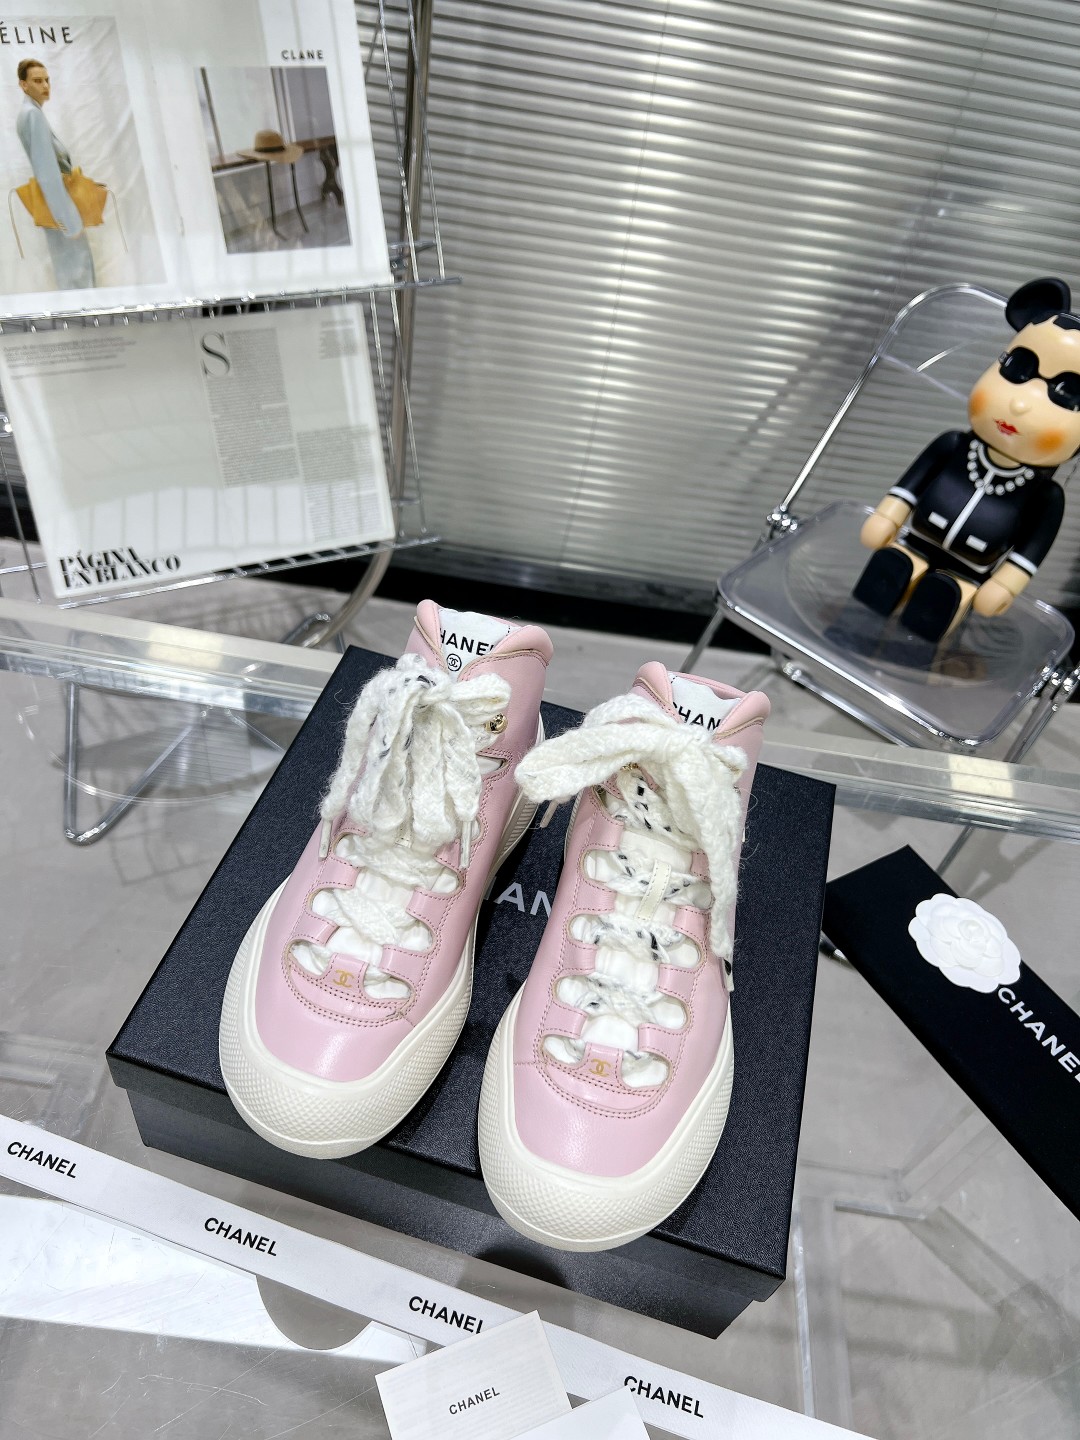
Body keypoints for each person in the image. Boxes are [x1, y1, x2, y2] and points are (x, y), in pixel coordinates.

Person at [15, 58, 95, 288]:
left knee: (70, 273)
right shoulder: (32, 114)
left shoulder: (31, 113)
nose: (45, 86)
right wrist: (70, 221)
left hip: (57, 209)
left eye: (47, 80)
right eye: (37, 81)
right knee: (77, 275)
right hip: (60, 212)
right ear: (23, 85)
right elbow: (47, 173)